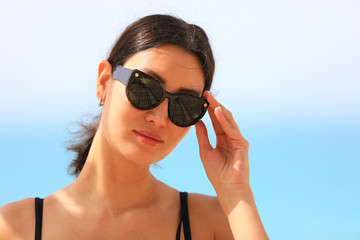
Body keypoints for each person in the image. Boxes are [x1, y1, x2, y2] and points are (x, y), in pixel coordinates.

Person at [0, 14, 269, 240]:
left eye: (184, 105)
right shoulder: (14, 228)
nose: (160, 118)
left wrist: (235, 192)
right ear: (104, 81)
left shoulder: (213, 225)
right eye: (145, 87)